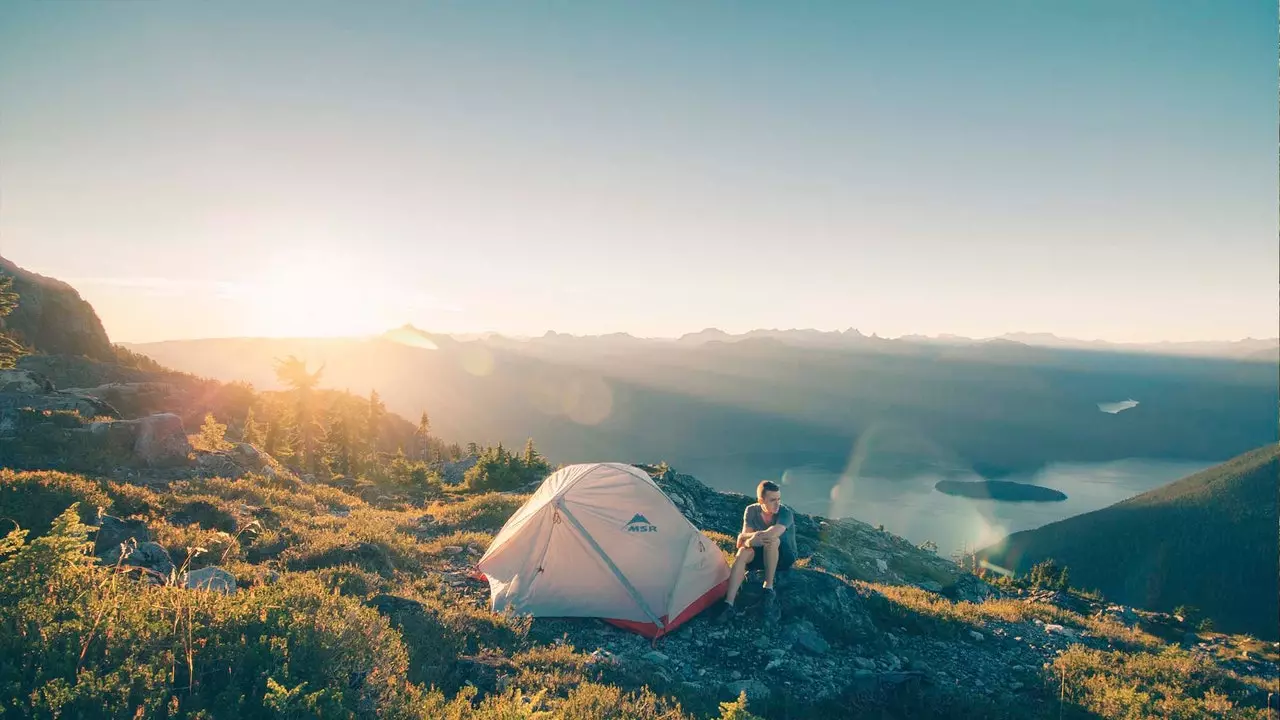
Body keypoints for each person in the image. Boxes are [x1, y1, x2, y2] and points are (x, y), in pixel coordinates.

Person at [714, 480, 796, 623]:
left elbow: (771, 534)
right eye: (772, 500)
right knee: (743, 552)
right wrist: (748, 541)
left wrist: (748, 539)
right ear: (761, 501)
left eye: (779, 499)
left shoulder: (785, 512)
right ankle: (728, 604)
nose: (777, 503)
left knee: (772, 541)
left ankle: (768, 589)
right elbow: (741, 542)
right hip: (760, 554)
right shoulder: (751, 510)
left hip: (784, 556)